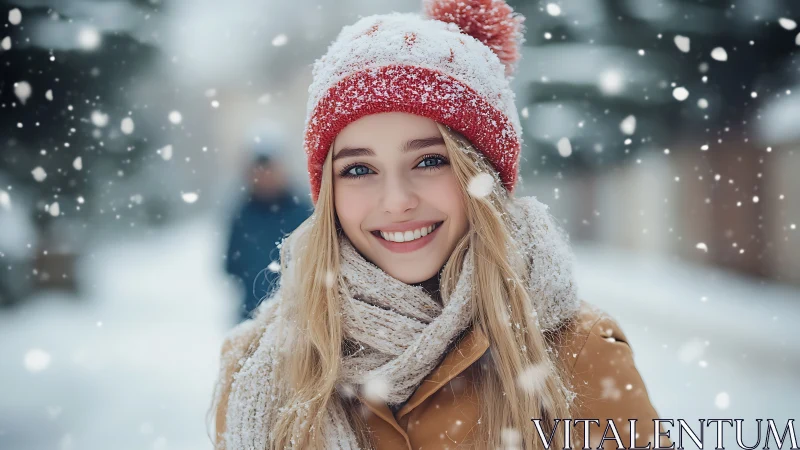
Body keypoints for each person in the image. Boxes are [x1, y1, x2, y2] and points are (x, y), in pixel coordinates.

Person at [210, 1, 670, 448]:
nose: (396, 201)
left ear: (482, 176)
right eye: (358, 169)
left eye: (430, 160)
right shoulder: (257, 368)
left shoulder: (578, 354)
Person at [224, 134, 312, 322]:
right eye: (259, 170)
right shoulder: (241, 214)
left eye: (269, 169)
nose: (265, 176)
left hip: (299, 319)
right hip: (251, 317)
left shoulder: (304, 211)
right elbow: (229, 264)